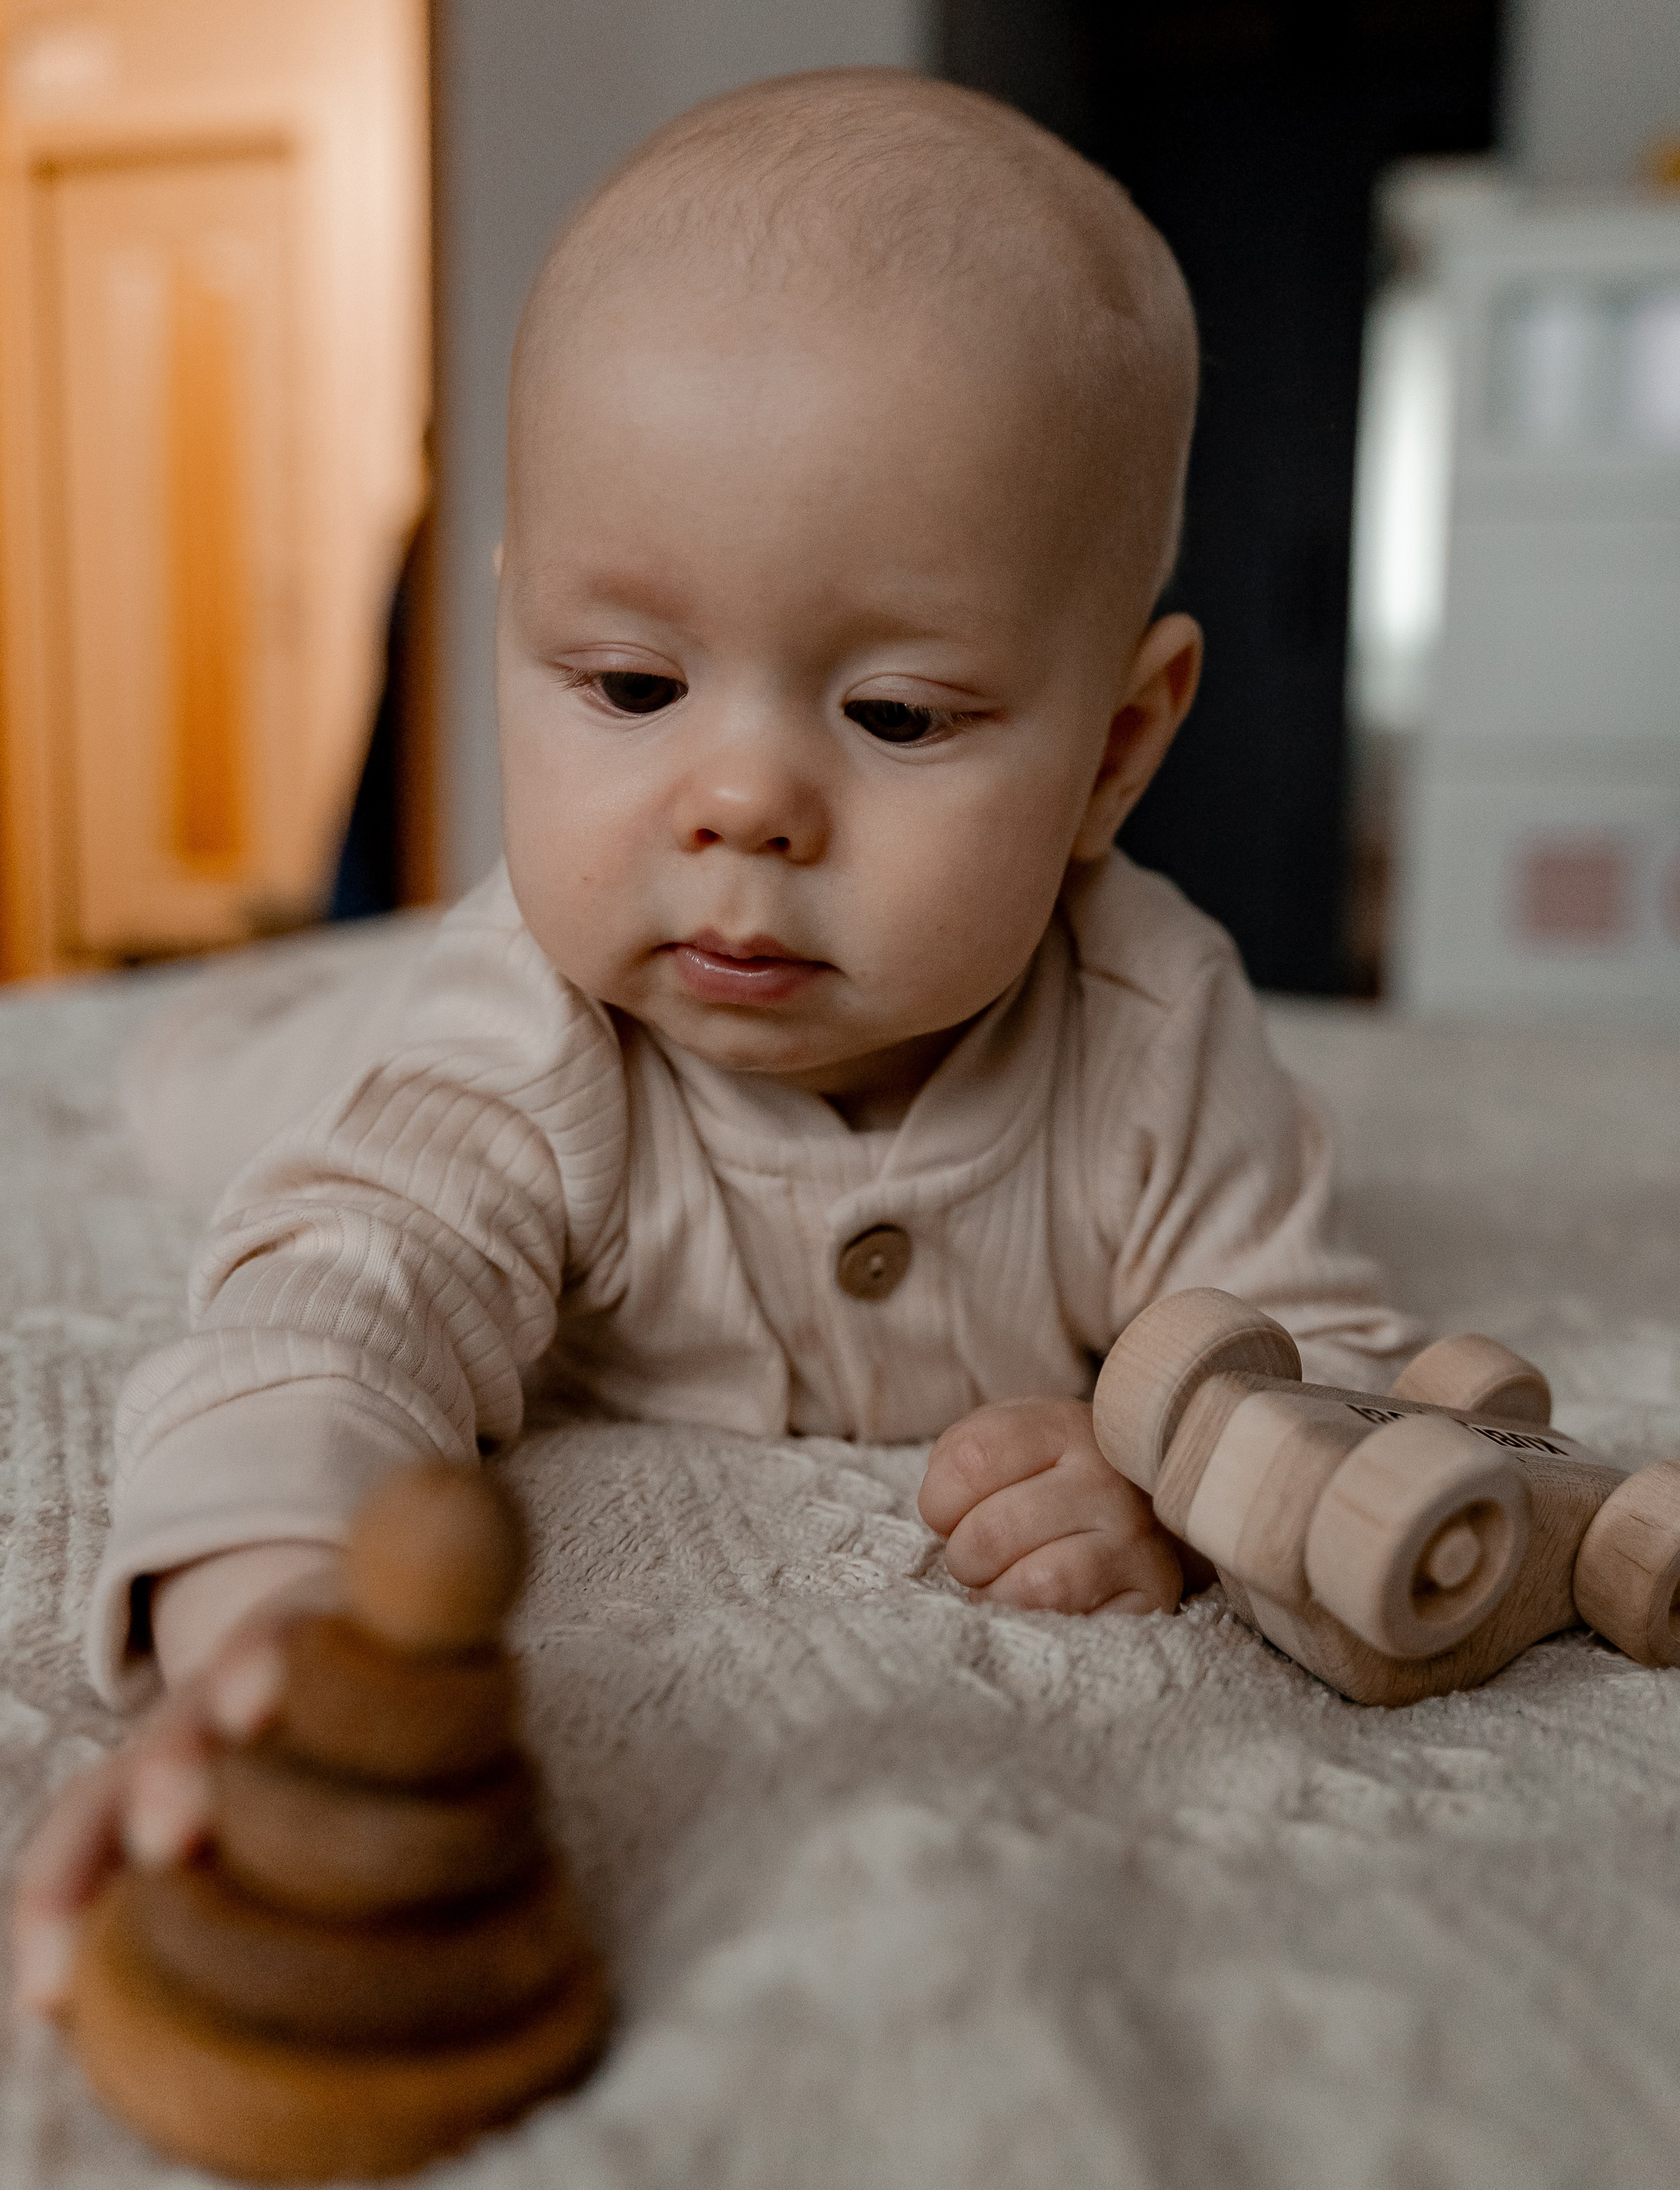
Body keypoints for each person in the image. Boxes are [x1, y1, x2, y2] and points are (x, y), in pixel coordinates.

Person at [13, 68, 1414, 2014]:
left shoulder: (1158, 1033)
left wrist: (1181, 1484)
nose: (740, 801)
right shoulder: (535, 1020)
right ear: (517, 649)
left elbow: (1330, 1377)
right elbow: (329, 1309)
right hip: (328, 1053)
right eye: (633, 685)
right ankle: (234, 1005)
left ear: (1118, 747)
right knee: (211, 1084)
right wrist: (279, 1627)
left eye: (901, 716)